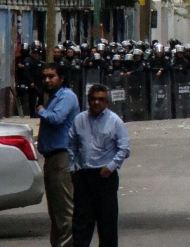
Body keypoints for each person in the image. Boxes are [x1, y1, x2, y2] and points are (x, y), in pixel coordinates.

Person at [68, 84, 130, 247]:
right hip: (84, 176)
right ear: (88, 101)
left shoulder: (115, 121)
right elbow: (71, 145)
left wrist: (111, 166)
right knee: (81, 222)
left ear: (107, 102)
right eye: (93, 99)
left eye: (101, 99)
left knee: (107, 223)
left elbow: (124, 149)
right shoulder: (79, 120)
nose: (96, 103)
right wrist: (73, 167)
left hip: (105, 177)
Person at [37, 63, 80, 247]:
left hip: (62, 157)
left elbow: (57, 118)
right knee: (55, 211)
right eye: (45, 77)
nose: (47, 80)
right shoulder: (53, 98)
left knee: (64, 211)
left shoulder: (66, 96)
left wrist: (41, 111)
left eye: (51, 76)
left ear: (61, 78)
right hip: (51, 158)